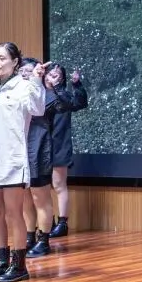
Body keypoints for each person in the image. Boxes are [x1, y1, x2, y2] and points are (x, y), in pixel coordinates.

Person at [0, 43, 46, 282]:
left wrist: (36, 81)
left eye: (2, 58)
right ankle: (1, 262)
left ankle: (19, 265)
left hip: (12, 158)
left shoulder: (24, 86)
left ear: (15, 62)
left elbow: (37, 109)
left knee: (14, 212)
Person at [18, 58, 57, 257]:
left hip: (39, 146)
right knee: (25, 197)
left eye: (29, 71)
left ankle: (44, 240)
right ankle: (29, 236)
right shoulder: (15, 94)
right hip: (20, 149)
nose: (25, 74)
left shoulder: (45, 94)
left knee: (40, 196)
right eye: (22, 71)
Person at [45, 63, 88, 239]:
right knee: (42, 186)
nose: (53, 77)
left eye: (57, 75)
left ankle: (62, 223)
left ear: (62, 78)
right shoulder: (38, 93)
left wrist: (76, 84)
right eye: (50, 73)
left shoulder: (63, 95)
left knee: (58, 184)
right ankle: (47, 221)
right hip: (40, 146)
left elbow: (80, 103)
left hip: (59, 144)